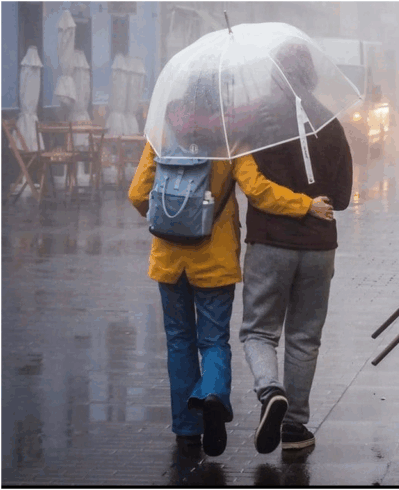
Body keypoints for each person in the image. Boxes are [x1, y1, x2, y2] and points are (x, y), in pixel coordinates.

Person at [128, 140, 333, 458]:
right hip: (215, 257)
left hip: (168, 259)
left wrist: (170, 213)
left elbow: (138, 195)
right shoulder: (229, 139)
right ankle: (212, 394)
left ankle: (186, 429)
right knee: (213, 341)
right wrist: (305, 205)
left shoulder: (160, 136)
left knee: (179, 341)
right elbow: (258, 190)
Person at [239, 43, 353, 455]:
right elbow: (340, 197)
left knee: (258, 330)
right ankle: (295, 427)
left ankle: (271, 392)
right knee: (305, 336)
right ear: (313, 76)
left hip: (270, 242)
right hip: (319, 246)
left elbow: (241, 173)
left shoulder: (255, 120)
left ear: (274, 75)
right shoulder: (330, 121)